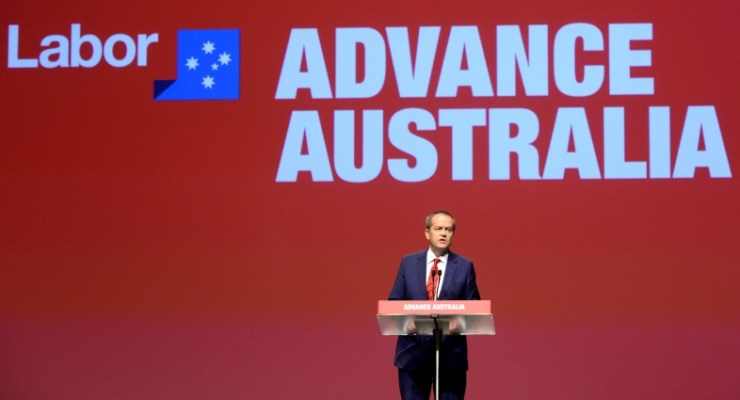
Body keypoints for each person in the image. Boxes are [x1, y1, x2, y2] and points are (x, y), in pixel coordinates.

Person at [388, 210, 481, 400]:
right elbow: (394, 303)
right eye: (438, 228)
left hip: (451, 356)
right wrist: (408, 321)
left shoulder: (464, 266)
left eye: (449, 229)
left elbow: (475, 309)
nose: (443, 233)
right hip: (413, 355)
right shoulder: (408, 263)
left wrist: (460, 322)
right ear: (427, 233)